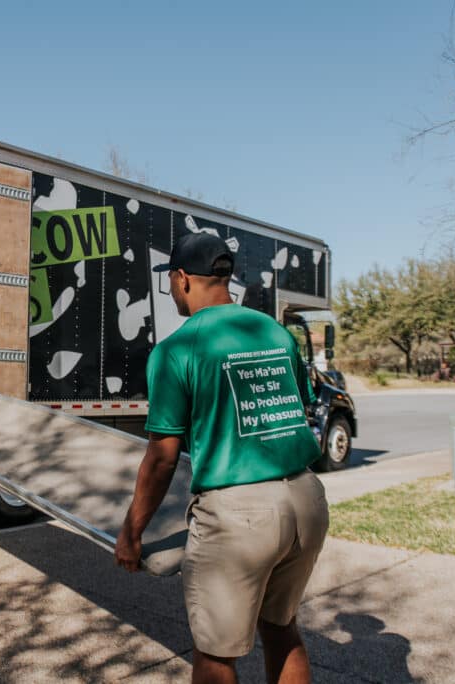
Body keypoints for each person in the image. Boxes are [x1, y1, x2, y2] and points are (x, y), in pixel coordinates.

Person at [115, 233, 329, 684]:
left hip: (240, 517)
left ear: (181, 279)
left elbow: (162, 458)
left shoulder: (177, 348)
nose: (171, 291)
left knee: (215, 654)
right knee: (281, 627)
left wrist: (132, 531)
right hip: (307, 501)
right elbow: (299, 408)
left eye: (170, 283)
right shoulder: (274, 331)